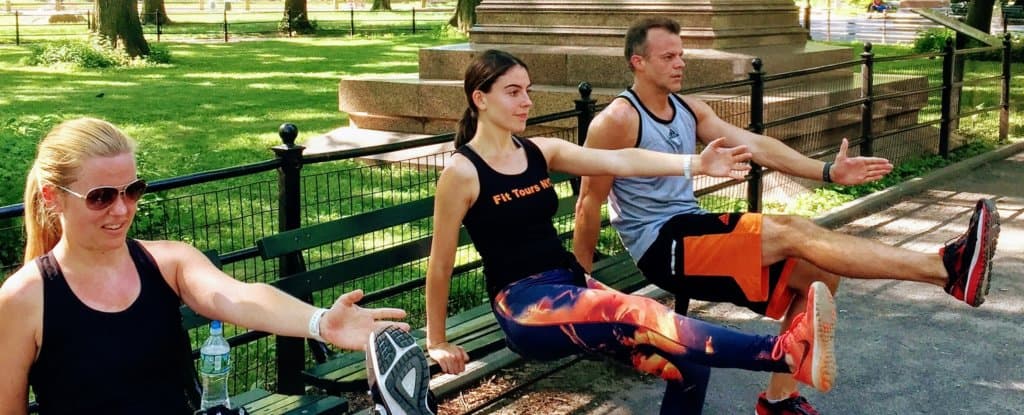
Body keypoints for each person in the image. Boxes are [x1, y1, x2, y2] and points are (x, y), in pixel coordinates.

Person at [573, 17, 1001, 415]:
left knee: (818, 275)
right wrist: (580, 289)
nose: (680, 63)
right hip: (662, 246)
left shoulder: (689, 108)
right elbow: (589, 202)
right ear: (638, 62)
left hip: (693, 231)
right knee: (792, 230)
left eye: (682, 54)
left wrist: (828, 171)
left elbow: (755, 145)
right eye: (669, 56)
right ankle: (944, 269)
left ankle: (779, 400)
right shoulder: (616, 120)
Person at [421, 49, 844, 415]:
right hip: (525, 306)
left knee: (688, 364)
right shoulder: (462, 173)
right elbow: (440, 266)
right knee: (640, 312)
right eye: (513, 92)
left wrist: (696, 164)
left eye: (528, 90)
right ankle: (782, 354)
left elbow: (621, 160)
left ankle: (787, 355)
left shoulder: (539, 150)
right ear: (480, 98)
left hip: (571, 285)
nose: (526, 101)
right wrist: (437, 341)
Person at [0, 117, 412, 414]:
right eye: (101, 196)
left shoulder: (166, 262)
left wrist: (321, 322)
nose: (122, 209)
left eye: (133, 190)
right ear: (54, 197)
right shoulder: (25, 298)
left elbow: (238, 296)